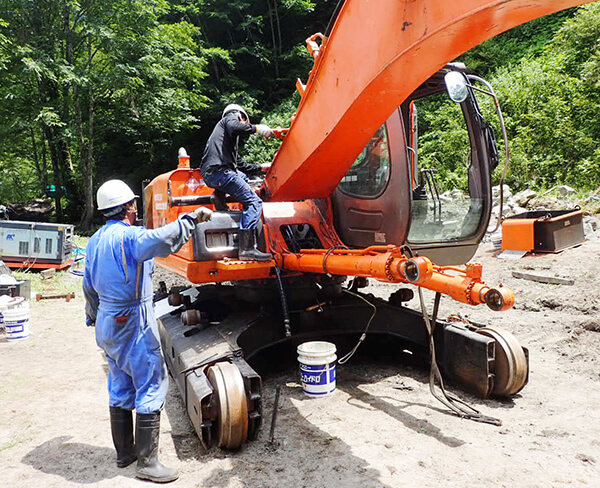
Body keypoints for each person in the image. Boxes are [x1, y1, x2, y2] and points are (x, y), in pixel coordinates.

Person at [83, 179, 212, 483]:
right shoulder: (130, 238)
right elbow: (160, 239)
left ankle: (124, 452)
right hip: (131, 320)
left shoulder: (94, 241)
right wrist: (190, 219)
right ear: (128, 207)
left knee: (120, 381)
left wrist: (92, 315)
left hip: (107, 321)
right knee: (151, 381)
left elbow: (88, 286)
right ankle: (148, 463)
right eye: (133, 204)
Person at [200, 103, 273, 261]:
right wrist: (257, 128)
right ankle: (246, 249)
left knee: (242, 176)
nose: (244, 125)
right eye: (244, 121)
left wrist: (261, 167)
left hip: (213, 174)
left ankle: (218, 196)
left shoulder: (225, 141)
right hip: (222, 172)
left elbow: (240, 166)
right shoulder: (230, 118)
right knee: (254, 202)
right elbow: (235, 126)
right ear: (240, 115)